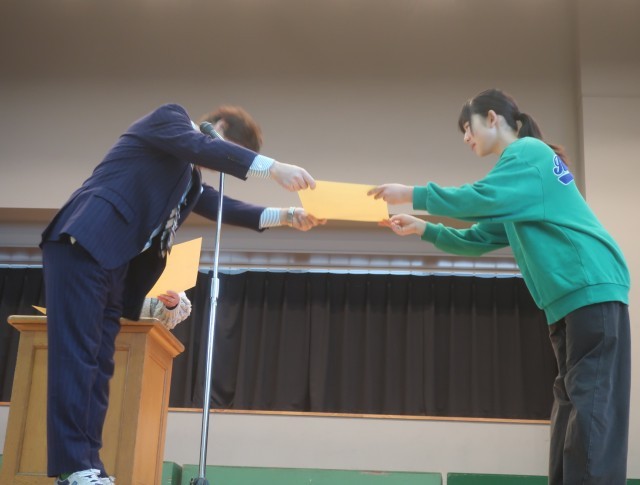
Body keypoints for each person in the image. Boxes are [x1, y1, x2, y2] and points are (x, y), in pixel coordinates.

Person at [40, 103, 324, 484]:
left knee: (99, 367)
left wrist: (287, 216)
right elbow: (202, 147)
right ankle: (74, 466)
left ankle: (88, 465)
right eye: (227, 149)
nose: (216, 164)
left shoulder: (188, 178)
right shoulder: (170, 119)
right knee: (77, 358)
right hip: (85, 241)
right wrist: (273, 168)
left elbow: (222, 205)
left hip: (113, 264)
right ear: (217, 126)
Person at [368, 89, 630, 484]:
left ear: (492, 118)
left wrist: (412, 194)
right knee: (572, 407)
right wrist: (424, 228)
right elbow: (477, 237)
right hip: (569, 302)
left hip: (591, 288)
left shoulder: (528, 153)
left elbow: (480, 197)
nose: (465, 138)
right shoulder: (516, 186)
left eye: (467, 127)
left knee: (591, 410)